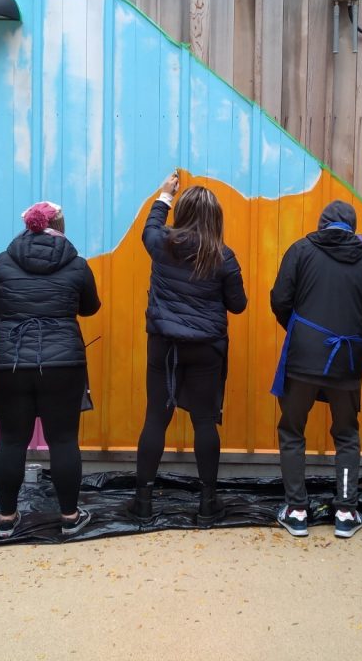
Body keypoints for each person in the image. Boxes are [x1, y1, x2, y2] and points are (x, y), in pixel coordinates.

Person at [126, 173, 247, 527]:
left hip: (163, 346)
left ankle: (143, 503)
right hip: (207, 349)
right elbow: (238, 306)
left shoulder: (161, 243)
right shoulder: (223, 256)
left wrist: (165, 193)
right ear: (216, 219)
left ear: (183, 212)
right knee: (205, 422)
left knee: (155, 419)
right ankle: (208, 504)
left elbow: (151, 223)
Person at [0, 202, 101, 538]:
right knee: (63, 440)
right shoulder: (76, 265)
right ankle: (70, 517)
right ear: (60, 226)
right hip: (63, 364)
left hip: (9, 362)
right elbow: (90, 307)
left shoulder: (0, 263)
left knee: (11, 440)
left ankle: (6, 519)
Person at [269, 200, 362, 539]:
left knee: (292, 430)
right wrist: (352, 336)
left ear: (322, 224)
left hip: (303, 356)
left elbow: (279, 299)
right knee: (347, 434)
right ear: (353, 226)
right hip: (347, 358)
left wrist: (301, 329)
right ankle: (347, 512)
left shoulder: (301, 250)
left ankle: (297, 510)